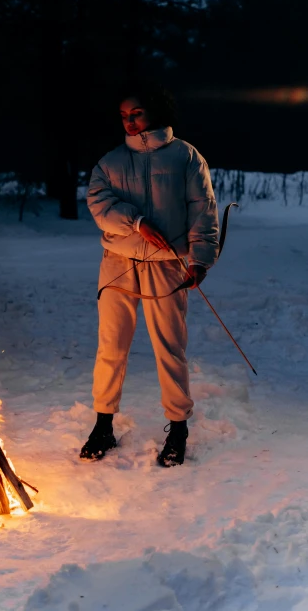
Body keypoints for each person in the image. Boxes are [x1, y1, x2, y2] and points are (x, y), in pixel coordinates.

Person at [80, 81, 219, 466]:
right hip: (119, 264)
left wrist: (200, 260)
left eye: (136, 113)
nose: (130, 122)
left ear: (154, 112)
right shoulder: (110, 162)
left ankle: (177, 428)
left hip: (167, 266)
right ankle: (103, 424)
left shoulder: (186, 158)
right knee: (111, 346)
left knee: (169, 348)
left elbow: (203, 210)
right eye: (124, 116)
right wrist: (136, 222)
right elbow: (99, 203)